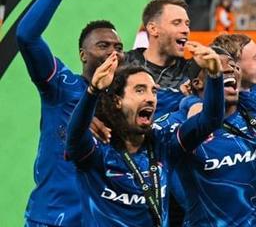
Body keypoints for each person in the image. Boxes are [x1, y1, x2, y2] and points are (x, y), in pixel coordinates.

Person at [16, 0, 124, 227]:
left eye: (119, 47)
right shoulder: (61, 88)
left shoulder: (128, 104)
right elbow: (27, 36)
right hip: (52, 219)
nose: (113, 52)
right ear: (83, 55)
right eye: (103, 45)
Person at [65, 43, 227, 227]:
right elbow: (74, 138)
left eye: (154, 91)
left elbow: (211, 120)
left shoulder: (164, 144)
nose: (150, 98)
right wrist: (92, 91)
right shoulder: (100, 148)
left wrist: (215, 75)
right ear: (117, 101)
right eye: (140, 90)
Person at [171, 46, 256, 226]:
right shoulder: (180, 124)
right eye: (217, 65)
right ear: (197, 83)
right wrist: (190, 102)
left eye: (233, 65)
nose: (230, 69)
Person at [124, 0, 192, 116]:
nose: (186, 30)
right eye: (177, 23)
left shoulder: (192, 73)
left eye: (187, 24)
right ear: (153, 29)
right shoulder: (123, 64)